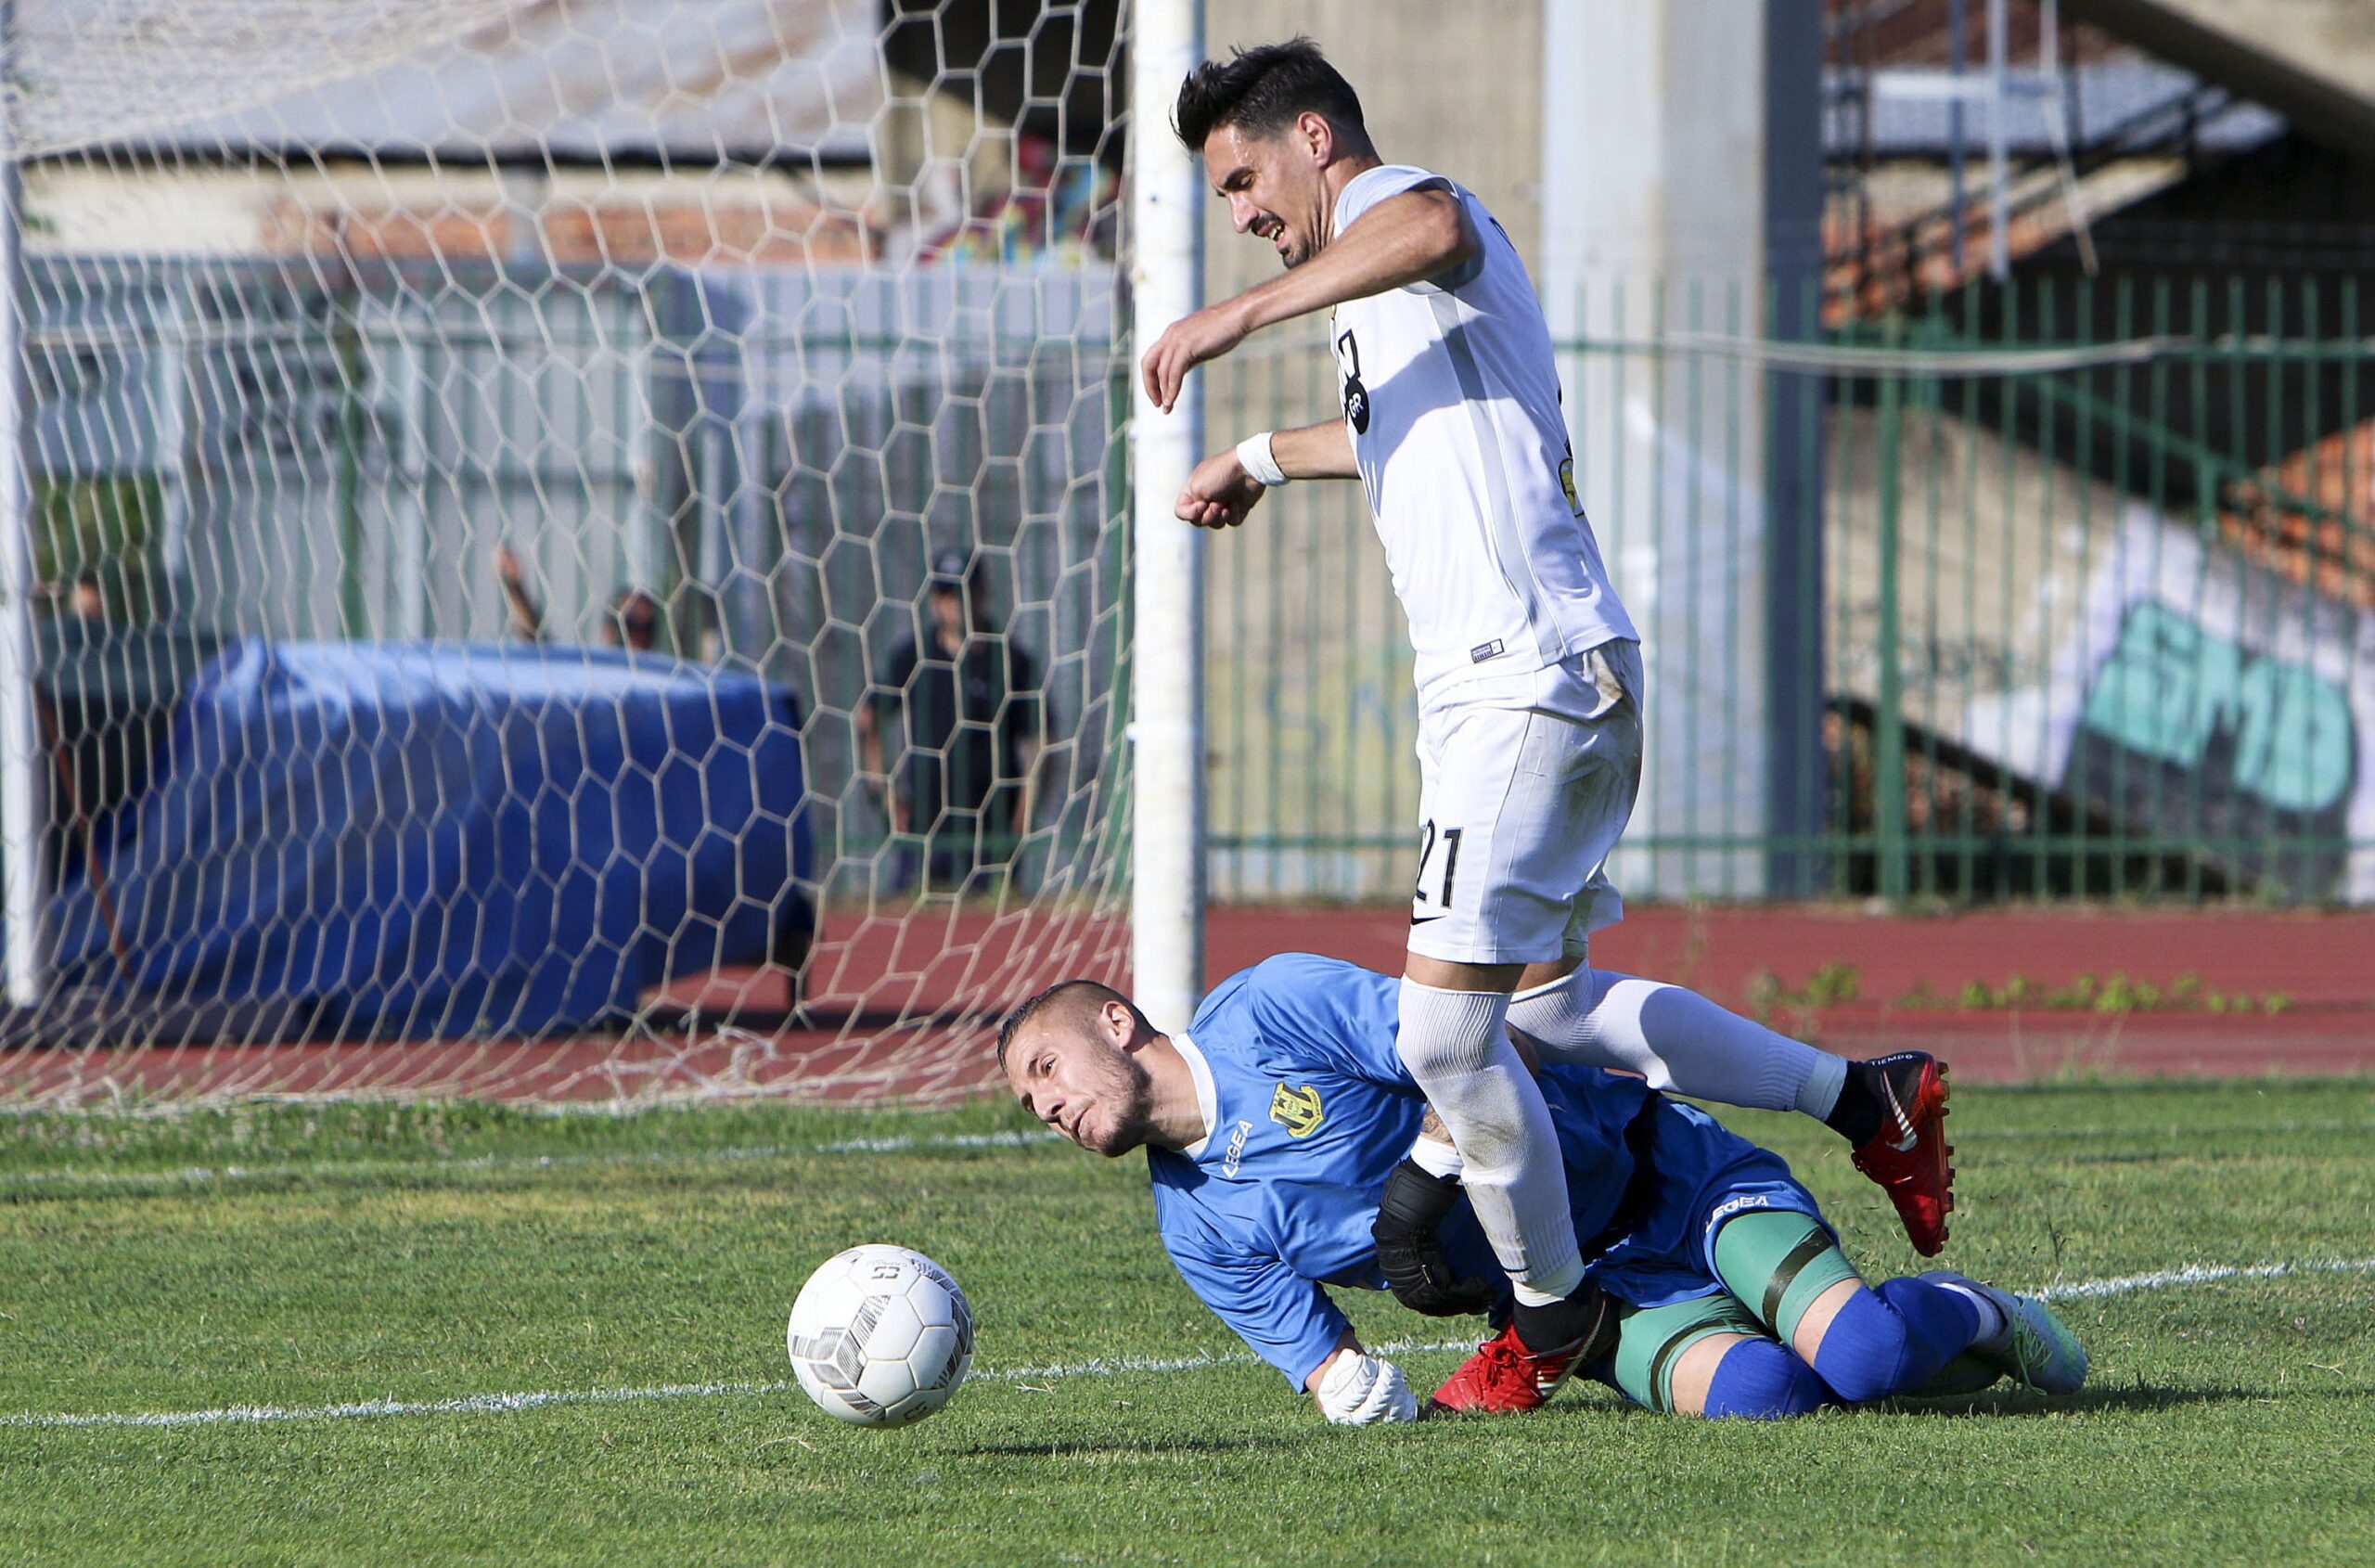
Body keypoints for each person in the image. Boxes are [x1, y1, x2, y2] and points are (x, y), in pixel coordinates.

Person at [1137, 36, 1955, 1386]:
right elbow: (1395, 429)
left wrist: (1233, 319)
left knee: (1442, 1036)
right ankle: (1861, 1094)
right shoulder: (1378, 297)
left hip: (1521, 683)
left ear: (1315, 140)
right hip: (1554, 678)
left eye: (1243, 181)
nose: (1242, 215)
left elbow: (1436, 217)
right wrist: (1258, 460)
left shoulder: (1403, 206)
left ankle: (1553, 1318)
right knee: (1552, 1013)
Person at [997, 954, 2086, 1425]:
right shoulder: (1194, 1228)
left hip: (1665, 1180)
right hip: (1587, 1309)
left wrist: (1427, 1171)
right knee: (1775, 1402)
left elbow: (1467, 1044)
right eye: (1027, 1102)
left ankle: (1989, 1315)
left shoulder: (1266, 1009)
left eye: (1045, 1069)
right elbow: (1328, 1369)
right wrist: (1352, 1396)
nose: (1044, 1106)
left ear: (1114, 1023)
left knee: (1864, 1357)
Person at [857, 547, 1044, 894]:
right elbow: (868, 719)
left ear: (982, 594)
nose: (954, 603)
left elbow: (1039, 741)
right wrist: (886, 798)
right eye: (945, 593)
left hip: (993, 833)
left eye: (962, 592)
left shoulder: (1011, 660)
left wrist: (1024, 813)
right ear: (933, 600)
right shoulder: (914, 654)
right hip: (925, 832)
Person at [493, 544, 660, 652]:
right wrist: (515, 588)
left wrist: (515, 588)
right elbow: (537, 644)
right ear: (607, 632)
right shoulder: (590, 674)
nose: (635, 642)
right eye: (629, 629)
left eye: (642, 630)